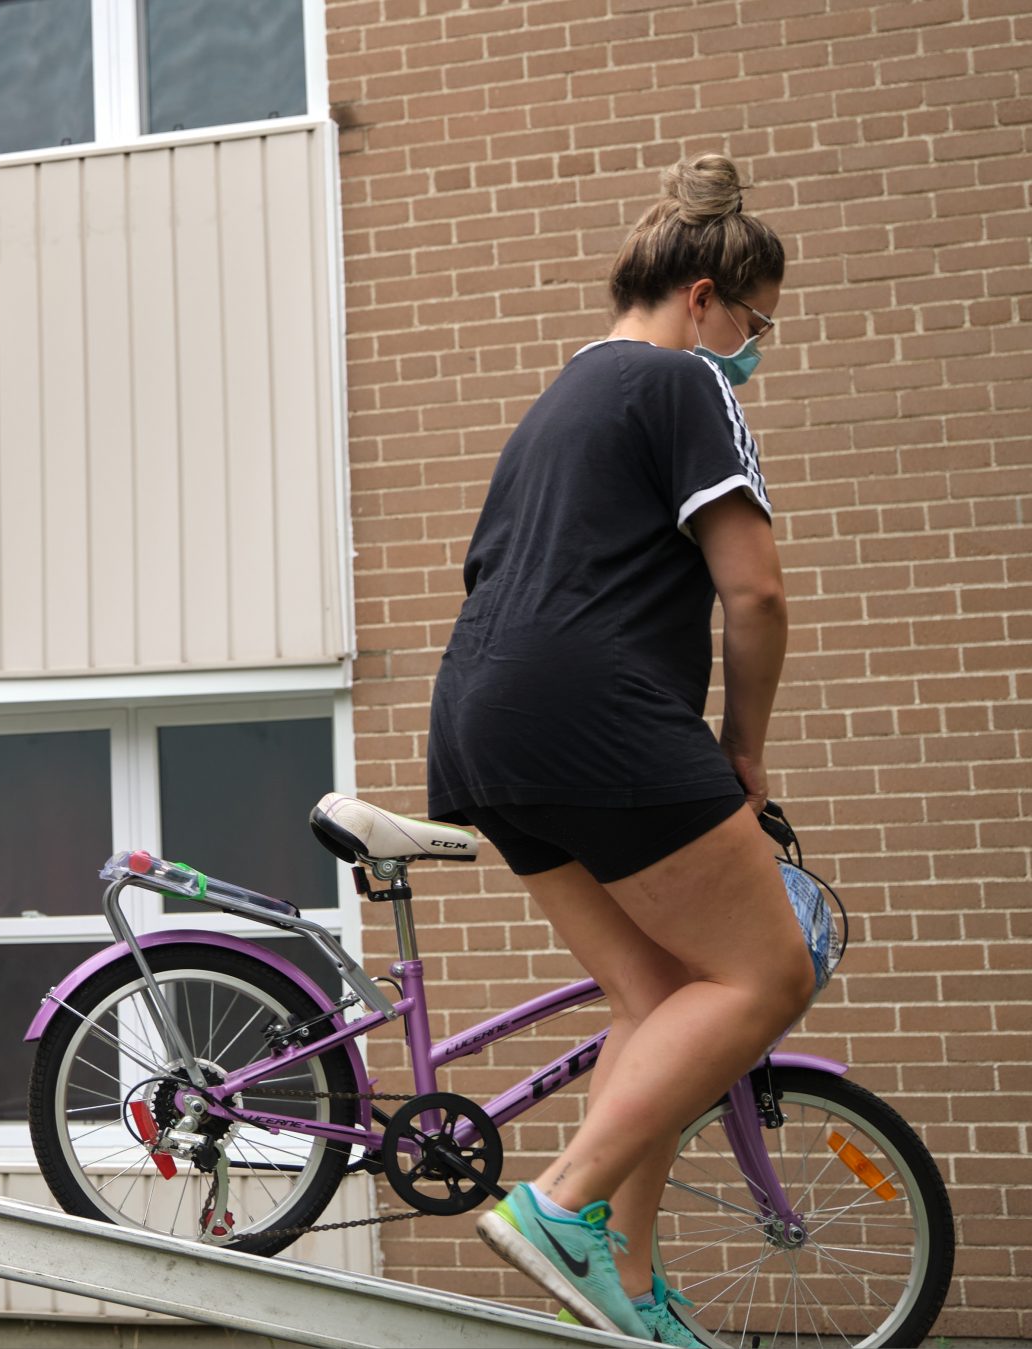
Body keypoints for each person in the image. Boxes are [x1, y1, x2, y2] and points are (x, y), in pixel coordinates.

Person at [424, 155, 816, 1345]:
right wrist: (741, 751)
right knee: (767, 969)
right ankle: (555, 1206)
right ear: (703, 297)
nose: (756, 346)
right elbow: (752, 592)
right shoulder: (680, 381)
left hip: (476, 721)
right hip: (591, 712)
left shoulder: (558, 400)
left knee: (659, 995)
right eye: (755, 322)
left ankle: (626, 1288)